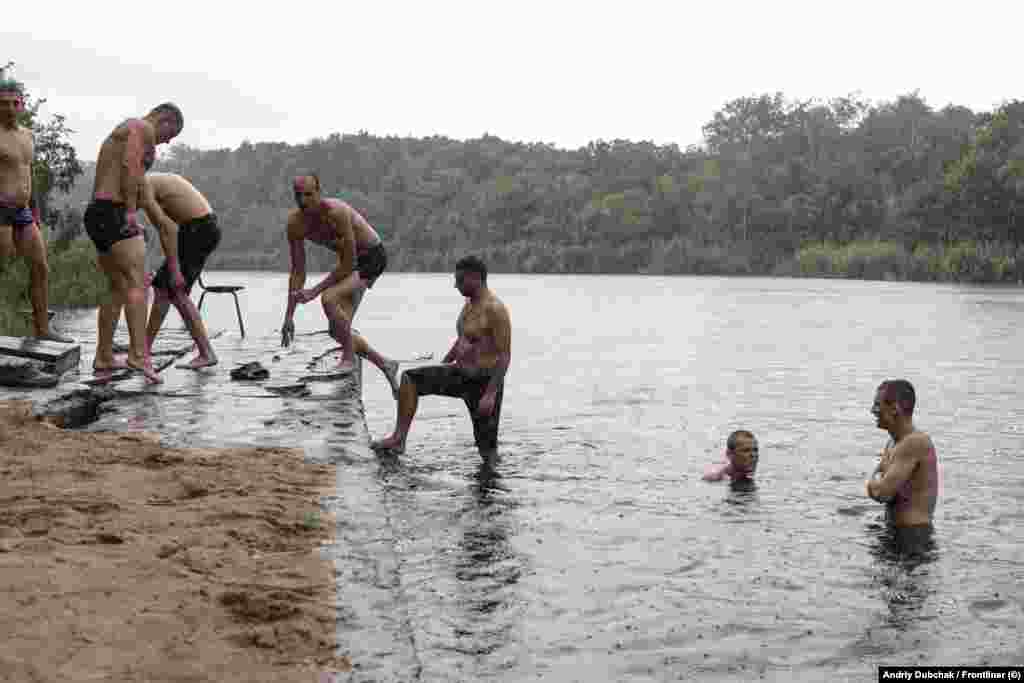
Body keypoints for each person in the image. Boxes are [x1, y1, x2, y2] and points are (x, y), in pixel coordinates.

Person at [372, 255, 512, 456]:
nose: (456, 285)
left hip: (484, 383)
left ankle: (489, 480)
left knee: (487, 450)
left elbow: (505, 356)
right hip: (460, 374)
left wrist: (490, 395)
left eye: (460, 280)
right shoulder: (470, 304)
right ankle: (398, 439)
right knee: (410, 379)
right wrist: (445, 362)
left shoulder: (495, 309)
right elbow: (464, 339)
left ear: (476, 277)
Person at [85, 103, 183, 383]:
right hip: (114, 211)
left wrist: (146, 216)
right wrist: (129, 212)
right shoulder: (141, 128)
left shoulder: (124, 129)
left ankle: (104, 356)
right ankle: (138, 355)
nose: (166, 142)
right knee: (139, 284)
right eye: (170, 135)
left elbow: (135, 179)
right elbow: (130, 166)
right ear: (165, 120)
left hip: (98, 213)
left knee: (117, 287)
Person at [279, 172, 399, 393]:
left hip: (372, 257)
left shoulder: (337, 212)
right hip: (352, 263)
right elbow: (297, 272)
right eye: (298, 196)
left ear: (319, 193)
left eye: (309, 195)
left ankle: (349, 358)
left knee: (329, 298)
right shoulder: (295, 224)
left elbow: (349, 262)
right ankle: (385, 364)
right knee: (338, 332)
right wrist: (289, 317)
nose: (303, 201)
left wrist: (314, 291)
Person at [0, 77, 72, 342]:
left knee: (40, 267)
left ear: (22, 105)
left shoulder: (28, 135)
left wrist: (36, 211)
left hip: (24, 211)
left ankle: (42, 328)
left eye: (14, 102)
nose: (8, 108)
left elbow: (27, 174)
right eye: (3, 103)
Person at [138, 172, 220, 369]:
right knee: (162, 290)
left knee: (175, 291)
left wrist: (174, 271)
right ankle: (143, 351)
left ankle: (206, 352)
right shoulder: (151, 184)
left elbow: (168, 230)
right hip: (198, 228)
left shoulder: (142, 185)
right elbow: (162, 230)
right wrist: (151, 269)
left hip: (198, 230)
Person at [865, 380, 939, 530]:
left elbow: (881, 493)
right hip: (895, 532)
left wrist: (873, 482)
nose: (872, 410)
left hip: (914, 538)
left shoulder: (915, 442)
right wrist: (877, 483)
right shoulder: (892, 442)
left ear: (894, 409)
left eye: (878, 405)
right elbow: (879, 484)